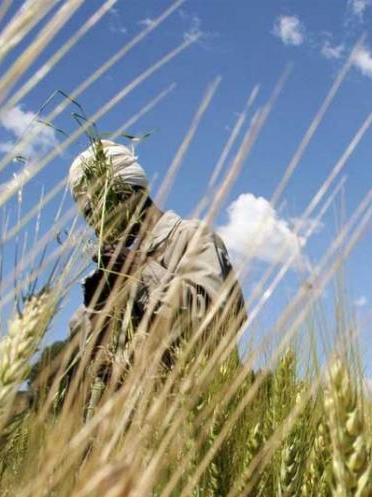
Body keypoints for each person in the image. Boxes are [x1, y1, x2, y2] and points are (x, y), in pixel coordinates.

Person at [33, 140, 246, 396]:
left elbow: (214, 323)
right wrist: (96, 309)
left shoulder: (191, 237)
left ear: (129, 193)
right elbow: (82, 366)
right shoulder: (115, 266)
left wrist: (139, 272)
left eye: (97, 210)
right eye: (87, 216)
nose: (95, 225)